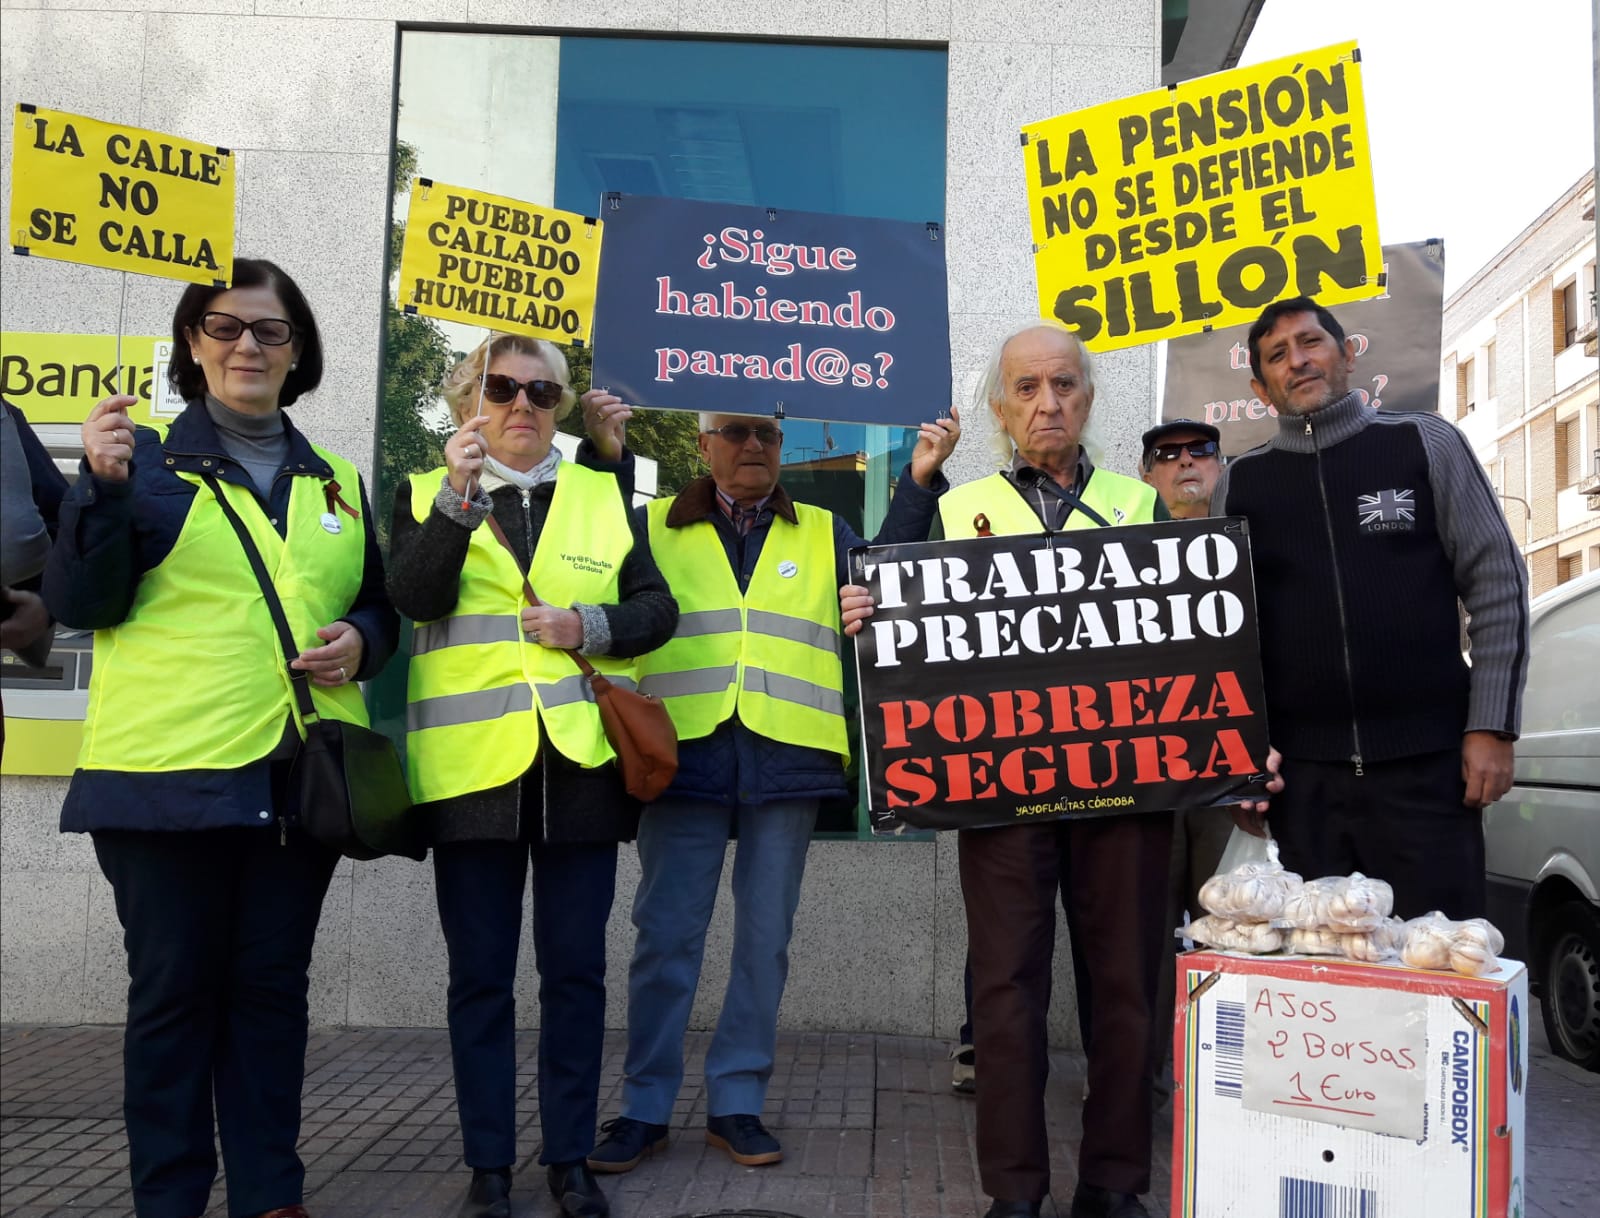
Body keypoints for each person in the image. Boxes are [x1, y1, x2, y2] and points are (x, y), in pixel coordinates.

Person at [41, 259, 399, 1218]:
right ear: (192, 346)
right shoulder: (139, 462)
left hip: (296, 782)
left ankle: (270, 1194)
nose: (249, 345)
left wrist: (363, 639)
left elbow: (374, 601)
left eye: (271, 331)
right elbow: (79, 604)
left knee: (271, 994)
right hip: (163, 782)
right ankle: (170, 1200)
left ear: (299, 353)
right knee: (174, 997)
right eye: (225, 326)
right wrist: (101, 490)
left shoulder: (336, 480)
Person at [586, 406, 959, 1175]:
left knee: (764, 943)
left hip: (788, 756)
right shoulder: (650, 525)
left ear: (782, 448)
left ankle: (736, 1101)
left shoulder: (824, 530)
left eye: (767, 434)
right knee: (665, 941)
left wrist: (920, 474)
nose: (752, 445)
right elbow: (587, 547)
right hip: (680, 759)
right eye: (735, 432)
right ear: (703, 445)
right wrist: (606, 449)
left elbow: (890, 569)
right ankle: (644, 1106)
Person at [386, 333, 677, 1218]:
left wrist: (587, 624)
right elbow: (414, 597)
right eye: (501, 387)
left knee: (575, 976)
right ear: (466, 396)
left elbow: (657, 609)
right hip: (471, 776)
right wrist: (454, 496)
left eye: (540, 392)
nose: (522, 405)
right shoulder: (421, 492)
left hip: (580, 771)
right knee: (479, 979)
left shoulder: (601, 489)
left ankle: (569, 1158)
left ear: (558, 404)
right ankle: (487, 1168)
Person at [1216, 296, 1529, 920]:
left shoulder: (1425, 442)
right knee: (1327, 977)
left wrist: (1491, 727)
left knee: (1442, 966)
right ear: (1260, 385)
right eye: (1277, 355)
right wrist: (1242, 754)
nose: (1298, 361)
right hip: (1304, 785)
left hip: (1432, 771)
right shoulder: (1240, 482)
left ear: (1349, 354)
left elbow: (1497, 584)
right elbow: (1229, 634)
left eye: (1312, 343)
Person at [1137, 419, 1229, 1103]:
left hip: (1229, 778)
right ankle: (1140, 1080)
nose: (1185, 464)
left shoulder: (1252, 547)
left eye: (1200, 452)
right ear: (1147, 474)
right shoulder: (1118, 548)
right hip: (1142, 776)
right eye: (1167, 456)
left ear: (1220, 466)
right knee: (1140, 936)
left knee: (1228, 929)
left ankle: (1221, 1082)